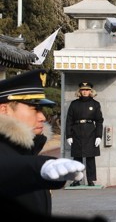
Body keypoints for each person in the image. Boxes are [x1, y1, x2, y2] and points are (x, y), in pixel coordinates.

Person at [0, 69, 86, 216]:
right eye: (34, 108)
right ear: (4, 110)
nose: (42, 117)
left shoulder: (24, 150)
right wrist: (39, 167)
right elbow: (7, 167)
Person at [65, 82, 104, 187]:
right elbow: (69, 121)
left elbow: (99, 121)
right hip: (76, 132)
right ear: (79, 91)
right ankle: (76, 180)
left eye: (87, 90)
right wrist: (68, 135)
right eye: (83, 90)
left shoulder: (95, 104)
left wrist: (99, 136)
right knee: (77, 158)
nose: (85, 92)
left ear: (91, 91)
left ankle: (91, 180)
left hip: (90, 132)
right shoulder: (74, 104)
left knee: (90, 158)